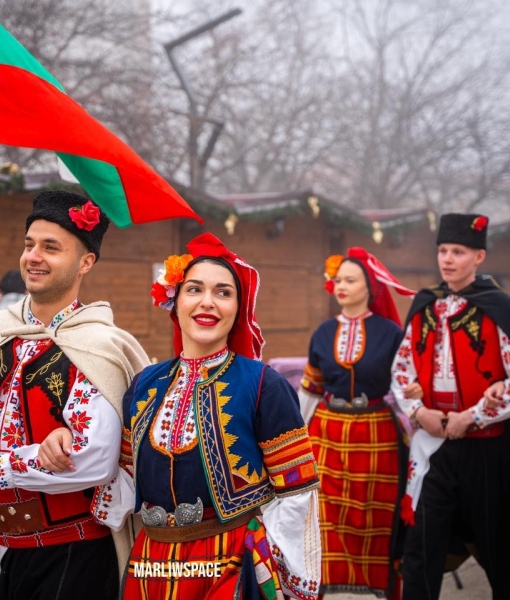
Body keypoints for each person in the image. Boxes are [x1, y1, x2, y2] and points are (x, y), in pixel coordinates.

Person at [45, 232, 322, 599]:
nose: (208, 302)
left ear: (238, 309)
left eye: (223, 293)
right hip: (152, 562)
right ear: (174, 302)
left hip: (231, 564)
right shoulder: (145, 383)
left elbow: (298, 494)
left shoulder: (262, 385)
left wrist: (286, 575)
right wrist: (62, 441)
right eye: (194, 289)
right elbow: (121, 478)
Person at [0, 191, 149, 600]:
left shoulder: (99, 346)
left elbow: (93, 459)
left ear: (85, 262)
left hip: (72, 553)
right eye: (29, 245)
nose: (34, 256)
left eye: (51, 247)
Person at [389, 214, 510, 600]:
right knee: (421, 546)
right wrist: (419, 411)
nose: (448, 259)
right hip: (433, 445)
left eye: (458, 251)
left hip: (486, 448)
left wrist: (471, 417)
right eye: (443, 251)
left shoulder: (496, 306)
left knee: (497, 548)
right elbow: (401, 369)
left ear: (479, 257)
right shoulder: (425, 304)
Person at [297, 248, 414, 598]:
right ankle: (324, 584)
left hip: (376, 431)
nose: (341, 286)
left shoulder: (390, 333)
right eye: (338, 279)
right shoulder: (322, 332)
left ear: (370, 288)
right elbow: (311, 390)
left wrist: (421, 425)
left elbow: (403, 388)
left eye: (351, 280)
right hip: (327, 431)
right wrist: (294, 438)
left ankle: (377, 586)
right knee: (326, 512)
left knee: (372, 513)